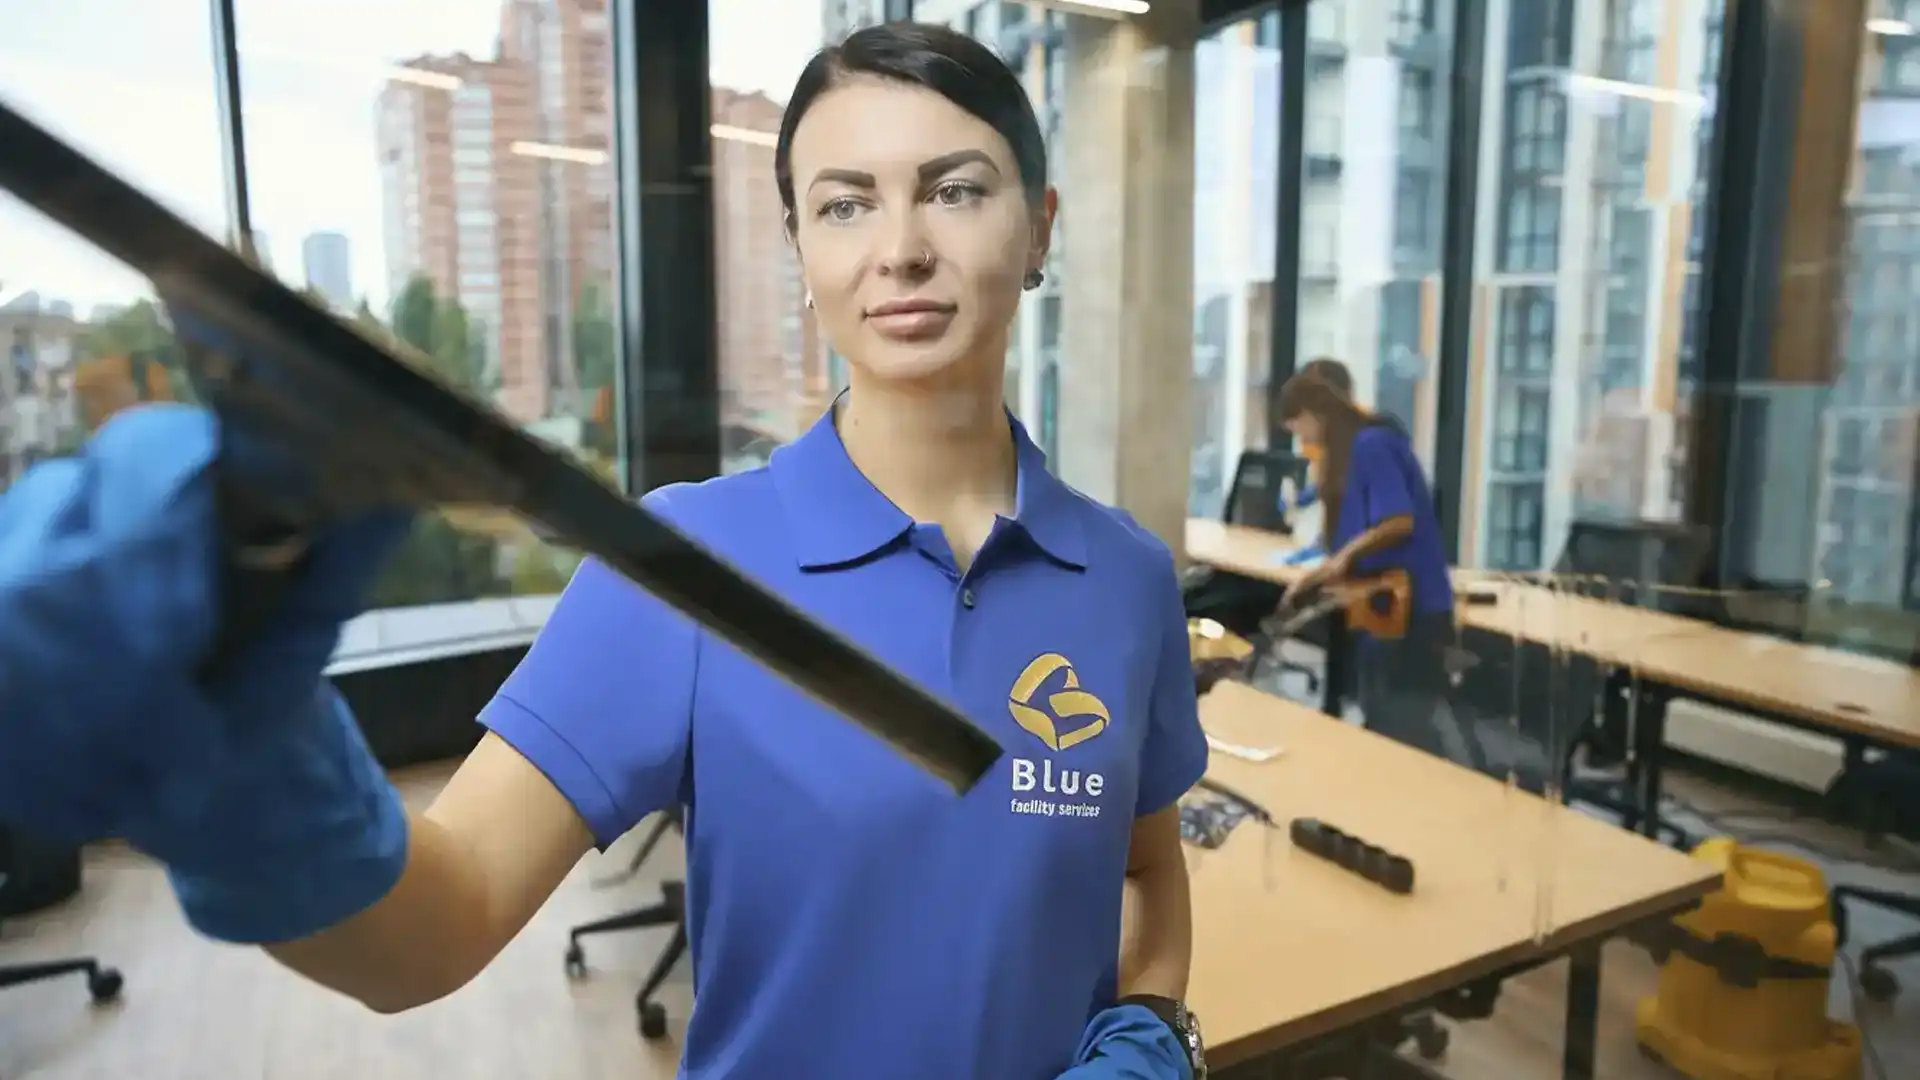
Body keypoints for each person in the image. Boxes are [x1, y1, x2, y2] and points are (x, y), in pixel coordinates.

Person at [0, 23, 1207, 1080]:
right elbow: (436, 928)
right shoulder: (686, 564)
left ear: (1039, 227)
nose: (899, 248)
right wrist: (242, 768)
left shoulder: (1128, 579)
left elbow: (1148, 871)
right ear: (800, 249)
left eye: (955, 190)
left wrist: (1152, 1028)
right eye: (845, 203)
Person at [1273, 371, 1481, 769]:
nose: (1304, 441)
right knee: (1384, 722)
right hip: (1380, 607)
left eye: (1301, 429)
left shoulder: (1372, 444)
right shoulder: (1347, 457)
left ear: (1315, 414)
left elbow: (1398, 521)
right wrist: (1316, 577)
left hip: (1412, 607)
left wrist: (1342, 559)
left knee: (1403, 733)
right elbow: (1350, 538)